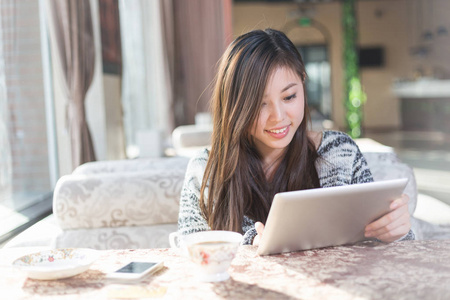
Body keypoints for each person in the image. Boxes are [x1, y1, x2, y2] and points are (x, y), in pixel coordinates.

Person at [178, 28, 414, 246]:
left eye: (289, 97)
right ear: (236, 106)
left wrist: (397, 232)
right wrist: (250, 249)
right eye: (260, 104)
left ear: (303, 83)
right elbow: (188, 258)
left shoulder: (340, 153)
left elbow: (382, 246)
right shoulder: (204, 170)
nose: (278, 117)